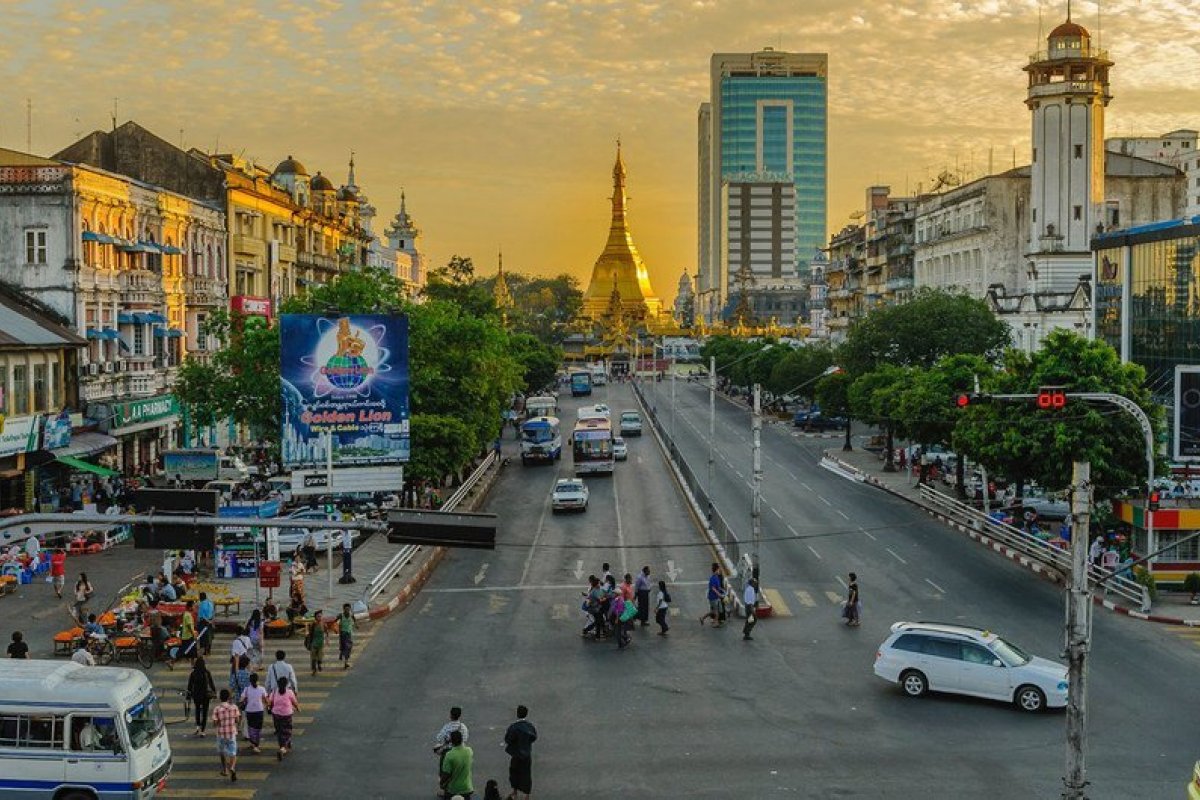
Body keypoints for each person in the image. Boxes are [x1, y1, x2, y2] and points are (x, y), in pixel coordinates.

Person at [503, 705, 538, 800]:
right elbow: (534, 737)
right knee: (526, 774)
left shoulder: (514, 727)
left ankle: (514, 791)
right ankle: (527, 795)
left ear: (517, 714)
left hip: (516, 754)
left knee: (514, 772)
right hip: (527, 754)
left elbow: (508, 739)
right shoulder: (530, 726)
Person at [267, 676, 300, 760]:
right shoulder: (289, 692)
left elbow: (270, 702)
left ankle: (285, 744)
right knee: (287, 730)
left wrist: (268, 707)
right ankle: (283, 748)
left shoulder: (274, 691)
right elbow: (294, 702)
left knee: (280, 731)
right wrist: (298, 708)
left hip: (276, 714)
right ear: (286, 684)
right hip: (287, 714)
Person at [210, 689, 241, 782]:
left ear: (220, 698)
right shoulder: (234, 707)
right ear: (228, 697)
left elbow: (214, 724)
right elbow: (237, 720)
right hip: (231, 733)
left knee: (222, 752)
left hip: (221, 734)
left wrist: (220, 721)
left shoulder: (217, 709)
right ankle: (232, 767)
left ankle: (225, 770)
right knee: (233, 752)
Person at [439, 729, 474, 800]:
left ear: (451, 741)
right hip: (466, 788)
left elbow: (446, 774)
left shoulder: (449, 755)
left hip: (453, 789)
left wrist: (441, 783)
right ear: (462, 740)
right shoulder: (469, 751)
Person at [188, 657, 217, 737]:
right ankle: (203, 731)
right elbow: (211, 683)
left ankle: (197, 726)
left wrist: (188, 696)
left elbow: (190, 686)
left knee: (197, 710)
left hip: (196, 695)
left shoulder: (193, 673)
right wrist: (214, 692)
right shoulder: (207, 672)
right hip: (205, 695)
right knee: (204, 713)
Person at [240, 673, 269, 754]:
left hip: (249, 711)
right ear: (257, 680)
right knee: (258, 728)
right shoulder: (262, 689)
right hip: (259, 711)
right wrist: (268, 705)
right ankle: (256, 745)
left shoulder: (246, 689)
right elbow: (267, 700)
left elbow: (241, 700)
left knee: (251, 727)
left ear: (250, 681)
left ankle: (253, 743)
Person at [700, 562, 726, 627]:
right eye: (718, 570)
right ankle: (715, 623)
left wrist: (722, 590)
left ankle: (703, 618)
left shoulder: (717, 577)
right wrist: (719, 594)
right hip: (713, 598)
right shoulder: (713, 578)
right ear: (716, 570)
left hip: (717, 597)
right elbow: (713, 588)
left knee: (718, 610)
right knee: (716, 612)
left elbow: (718, 587)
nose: (719, 571)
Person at [337, 603, 356, 669]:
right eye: (346, 609)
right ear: (343, 609)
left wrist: (356, 625)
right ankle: (345, 661)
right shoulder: (341, 615)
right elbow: (335, 620)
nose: (347, 610)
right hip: (343, 634)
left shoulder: (351, 615)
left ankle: (346, 661)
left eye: (348, 609)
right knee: (345, 647)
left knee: (349, 647)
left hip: (349, 633)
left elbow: (354, 620)